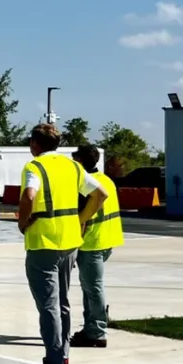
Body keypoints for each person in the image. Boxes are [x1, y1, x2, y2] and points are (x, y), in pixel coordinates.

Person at [17, 124, 108, 364]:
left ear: (35, 143)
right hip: (69, 241)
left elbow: (28, 195)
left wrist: (23, 222)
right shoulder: (72, 166)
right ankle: (63, 358)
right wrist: (81, 219)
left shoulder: (35, 167)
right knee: (63, 303)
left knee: (48, 306)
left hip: (43, 242)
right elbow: (99, 194)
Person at [70, 144, 123, 349]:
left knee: (93, 288)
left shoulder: (85, 185)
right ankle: (92, 326)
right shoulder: (105, 180)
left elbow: (82, 218)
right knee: (90, 287)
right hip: (107, 239)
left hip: (91, 242)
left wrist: (73, 243)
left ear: (81, 161)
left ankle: (97, 332)